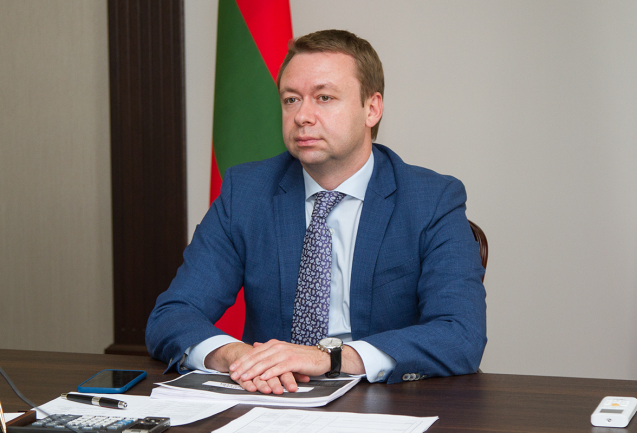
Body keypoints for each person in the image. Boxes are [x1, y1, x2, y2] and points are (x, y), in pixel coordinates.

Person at [146, 29, 486, 394]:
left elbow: (460, 334)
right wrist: (237, 356)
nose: (302, 116)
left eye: (324, 97)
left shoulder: (431, 199)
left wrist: (331, 358)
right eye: (291, 99)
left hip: (387, 400)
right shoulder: (246, 193)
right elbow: (172, 315)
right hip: (273, 397)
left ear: (371, 108)